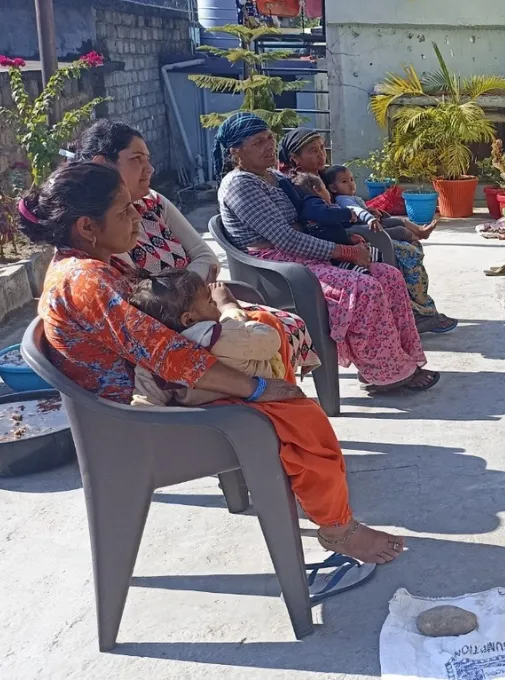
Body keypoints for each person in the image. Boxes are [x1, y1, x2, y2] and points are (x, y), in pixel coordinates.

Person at [23, 162, 404, 566]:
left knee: (270, 342)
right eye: (123, 211)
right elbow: (172, 356)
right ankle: (336, 527)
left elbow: (163, 333)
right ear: (86, 227)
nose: (137, 216)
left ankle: (301, 485)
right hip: (139, 421)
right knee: (301, 415)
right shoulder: (86, 280)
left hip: (156, 392)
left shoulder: (97, 263)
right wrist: (257, 388)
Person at [70, 119, 323, 374]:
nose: (150, 169)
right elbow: (149, 299)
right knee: (260, 339)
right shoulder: (101, 228)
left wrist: (188, 291)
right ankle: (272, 404)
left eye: (148, 158)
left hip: (201, 309)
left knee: (276, 326)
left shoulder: (152, 202)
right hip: (174, 329)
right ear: (103, 165)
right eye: (137, 159)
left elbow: (207, 257)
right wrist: (201, 292)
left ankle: (277, 401)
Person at [217, 113, 440, 392]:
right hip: (275, 269)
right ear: (236, 151)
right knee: (364, 287)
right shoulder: (240, 184)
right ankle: (386, 373)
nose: (269, 146)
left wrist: (346, 237)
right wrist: (345, 252)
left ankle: (399, 363)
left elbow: (311, 217)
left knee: (389, 276)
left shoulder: (274, 176)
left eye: (270, 138)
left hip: (303, 255)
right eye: (258, 142)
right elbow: (285, 239)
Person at [278, 128, 457, 334]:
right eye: (312, 150)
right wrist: (352, 220)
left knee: (410, 244)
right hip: (336, 243)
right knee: (404, 250)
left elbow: (343, 201)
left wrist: (367, 211)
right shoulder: (298, 184)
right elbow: (319, 217)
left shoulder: (323, 175)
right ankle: (414, 313)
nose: (321, 154)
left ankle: (415, 310)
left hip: (352, 231)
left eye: (321, 148)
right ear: (294, 157)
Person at [131, 271, 287, 406]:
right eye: (211, 302)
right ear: (189, 320)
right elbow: (271, 340)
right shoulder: (224, 336)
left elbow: (146, 402)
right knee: (266, 319)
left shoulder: (153, 360)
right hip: (261, 400)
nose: (215, 304)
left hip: (208, 418)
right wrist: (230, 309)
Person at [323, 165, 436, 242]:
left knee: (401, 220)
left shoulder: (350, 197)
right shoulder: (343, 199)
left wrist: (374, 213)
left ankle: (421, 231)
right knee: (400, 230)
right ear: (333, 188)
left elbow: (363, 209)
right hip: (367, 228)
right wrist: (370, 218)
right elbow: (356, 210)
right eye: (344, 181)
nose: (351, 184)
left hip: (373, 223)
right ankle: (418, 236)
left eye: (352, 179)